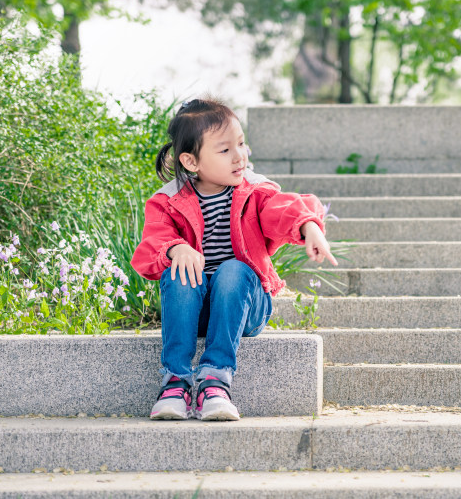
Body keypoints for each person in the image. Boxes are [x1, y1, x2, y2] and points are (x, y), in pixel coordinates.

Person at [130, 97, 337, 421]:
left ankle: (215, 380)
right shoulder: (168, 201)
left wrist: (309, 225)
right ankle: (175, 382)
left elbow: (283, 208)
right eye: (225, 150)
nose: (239, 156)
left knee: (232, 270)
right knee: (177, 274)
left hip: (244, 306)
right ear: (191, 161)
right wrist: (175, 248)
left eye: (241, 144)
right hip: (195, 311)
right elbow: (151, 243)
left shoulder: (255, 191)